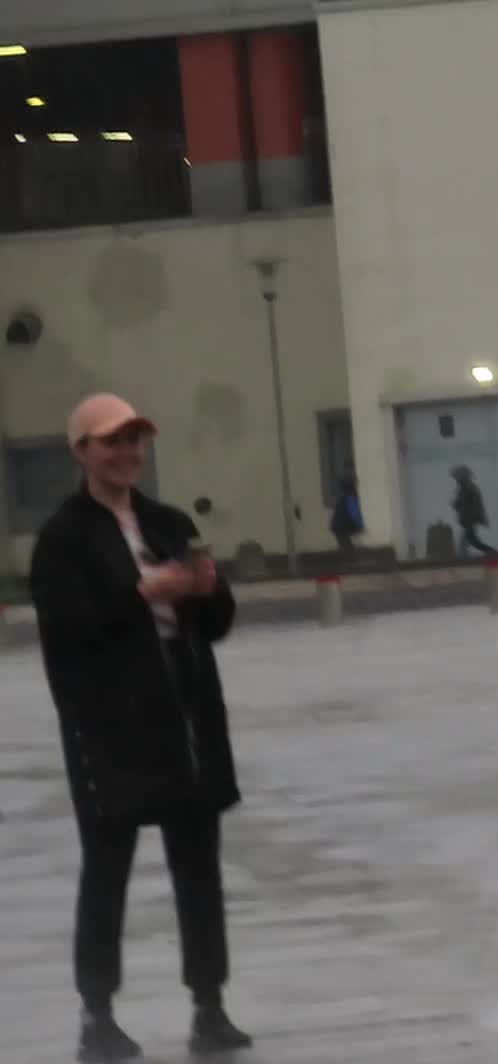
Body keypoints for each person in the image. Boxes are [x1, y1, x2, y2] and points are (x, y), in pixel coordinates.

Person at [28, 393, 253, 1063]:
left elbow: (214, 625)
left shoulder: (168, 522)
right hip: (110, 730)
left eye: (134, 441)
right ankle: (97, 1015)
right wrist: (142, 596)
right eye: (111, 443)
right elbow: (70, 632)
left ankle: (209, 1005)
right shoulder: (63, 539)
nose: (126, 454)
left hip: (184, 720)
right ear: (81, 452)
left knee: (198, 869)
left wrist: (207, 589)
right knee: (107, 869)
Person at [450, 465, 498, 558]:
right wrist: (456, 504)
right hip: (468, 521)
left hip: (470, 520)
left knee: (469, 542)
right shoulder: (463, 489)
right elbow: (461, 503)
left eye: (457, 477)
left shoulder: (470, 488)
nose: (456, 480)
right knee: (472, 541)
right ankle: (494, 553)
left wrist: (474, 517)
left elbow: (476, 505)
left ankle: (494, 553)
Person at [329, 476, 364, 554]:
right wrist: (360, 526)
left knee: (346, 546)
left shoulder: (343, 497)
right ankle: (349, 557)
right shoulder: (350, 497)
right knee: (347, 548)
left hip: (338, 526)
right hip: (341, 526)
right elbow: (354, 513)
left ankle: (347, 556)